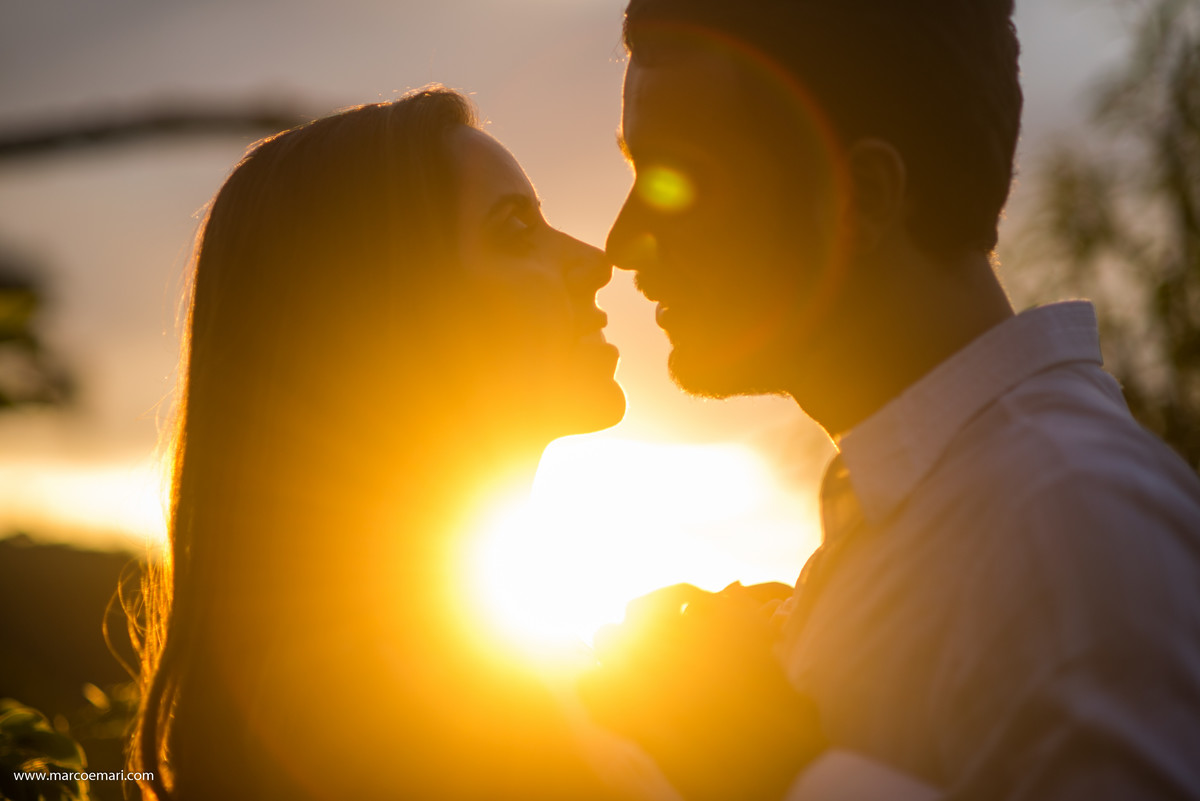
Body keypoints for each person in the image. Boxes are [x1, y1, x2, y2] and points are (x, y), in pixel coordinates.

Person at [591, 0, 1200, 799]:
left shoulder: (1068, 519)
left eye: (679, 178)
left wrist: (769, 766)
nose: (622, 240)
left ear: (865, 196)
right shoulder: (935, 514)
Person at [129, 86, 650, 801]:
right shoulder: (371, 713)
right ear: (386, 313)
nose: (594, 262)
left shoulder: (448, 672)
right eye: (515, 230)